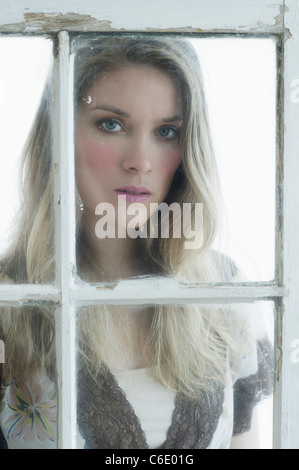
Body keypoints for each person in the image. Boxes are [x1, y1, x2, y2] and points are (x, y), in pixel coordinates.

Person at [0, 36, 273, 449]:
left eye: (166, 131)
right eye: (111, 124)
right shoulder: (10, 299)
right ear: (59, 136)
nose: (140, 160)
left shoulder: (226, 292)